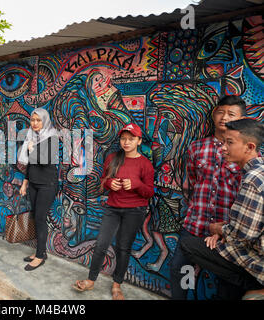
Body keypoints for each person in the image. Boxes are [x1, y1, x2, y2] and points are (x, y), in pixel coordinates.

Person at [170, 95, 246, 299]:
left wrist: (226, 228)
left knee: (227, 282)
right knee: (181, 270)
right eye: (220, 112)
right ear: (213, 115)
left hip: (226, 231)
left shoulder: (244, 152)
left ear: (241, 119)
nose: (224, 117)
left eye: (231, 114)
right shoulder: (196, 147)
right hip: (195, 225)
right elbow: (191, 182)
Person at [180, 118, 264, 300]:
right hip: (238, 242)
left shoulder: (252, 180)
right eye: (223, 142)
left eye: (230, 143)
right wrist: (224, 231)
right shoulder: (258, 172)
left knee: (189, 246)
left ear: (250, 147)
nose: (223, 148)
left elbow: (243, 235)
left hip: (256, 262)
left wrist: (217, 229)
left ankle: (254, 286)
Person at [72, 123, 154, 300]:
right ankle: (91, 279)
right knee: (101, 244)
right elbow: (103, 181)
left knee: (123, 248)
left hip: (134, 211)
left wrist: (137, 185)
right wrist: (110, 184)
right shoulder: (112, 158)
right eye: (123, 139)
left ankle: (117, 285)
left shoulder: (145, 164)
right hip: (113, 208)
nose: (126, 142)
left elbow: (149, 192)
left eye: (131, 139)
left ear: (139, 141)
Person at [18, 108, 59, 271]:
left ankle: (40, 256)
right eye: (32, 120)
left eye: (38, 120)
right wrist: (25, 183)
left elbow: (43, 161)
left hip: (47, 185)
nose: (35, 123)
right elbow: (30, 164)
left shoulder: (52, 138)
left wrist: (30, 149)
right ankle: (39, 251)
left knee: (41, 219)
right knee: (37, 218)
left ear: (45, 121)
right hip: (34, 184)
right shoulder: (32, 137)